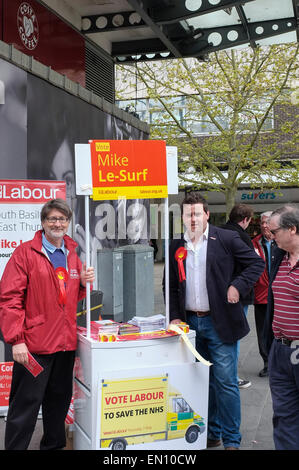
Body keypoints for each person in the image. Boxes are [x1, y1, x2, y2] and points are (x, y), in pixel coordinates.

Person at [166, 192, 264, 450]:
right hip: (191, 326)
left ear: (207, 214)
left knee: (225, 383)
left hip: (219, 324)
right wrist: (175, 316)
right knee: (202, 382)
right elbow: (171, 285)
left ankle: (232, 441)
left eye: (197, 213)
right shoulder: (176, 245)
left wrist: (237, 286)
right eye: (188, 214)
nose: (193, 218)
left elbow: (255, 265)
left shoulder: (226, 238)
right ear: (183, 218)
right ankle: (212, 432)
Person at [0, 199, 95, 450]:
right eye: (52, 218)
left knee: (58, 405)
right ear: (43, 222)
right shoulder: (25, 253)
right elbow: (10, 299)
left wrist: (83, 283)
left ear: (68, 223)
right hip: (34, 348)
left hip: (64, 347)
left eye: (62, 219)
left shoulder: (71, 254)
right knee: (25, 407)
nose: (57, 223)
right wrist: (16, 339)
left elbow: (70, 298)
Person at [263, 205, 299, 450]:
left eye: (274, 231)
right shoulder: (278, 256)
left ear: (292, 229)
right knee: (284, 415)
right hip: (280, 349)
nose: (270, 235)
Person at [221, 203, 254, 388]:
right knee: (234, 336)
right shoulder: (241, 237)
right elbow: (252, 266)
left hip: (218, 293)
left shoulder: (217, 232)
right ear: (245, 220)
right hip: (237, 294)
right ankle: (232, 377)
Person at [252, 211, 274, 377]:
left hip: (281, 295)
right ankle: (267, 362)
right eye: (262, 222)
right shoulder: (254, 243)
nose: (264, 225)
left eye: (267, 222)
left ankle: (282, 362)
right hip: (261, 294)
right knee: (263, 331)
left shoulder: (283, 241)